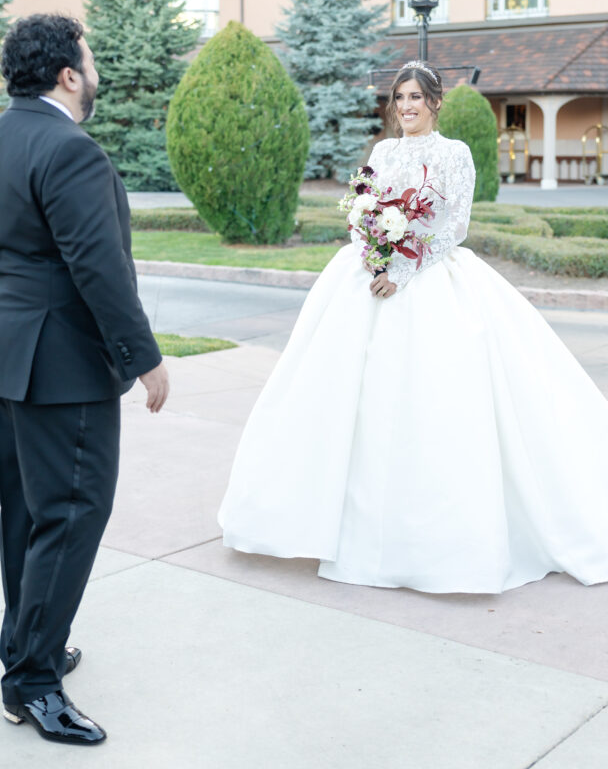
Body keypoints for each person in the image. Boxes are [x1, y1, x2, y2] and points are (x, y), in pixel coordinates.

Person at [219, 60, 608, 594]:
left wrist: (402, 269)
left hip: (430, 279)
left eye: (416, 98)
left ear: (436, 102)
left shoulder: (455, 154)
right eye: (399, 98)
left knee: (434, 398)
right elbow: (365, 211)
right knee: (342, 395)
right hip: (368, 278)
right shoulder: (383, 152)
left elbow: (456, 225)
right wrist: (374, 255)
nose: (406, 107)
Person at [0, 14, 169, 746]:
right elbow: (97, 266)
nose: (97, 68)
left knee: (28, 514)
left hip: (0, 355)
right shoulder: (70, 149)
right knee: (71, 515)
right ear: (68, 74)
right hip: (60, 365)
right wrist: (143, 356)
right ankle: (34, 682)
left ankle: (28, 647)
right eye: (92, 57)